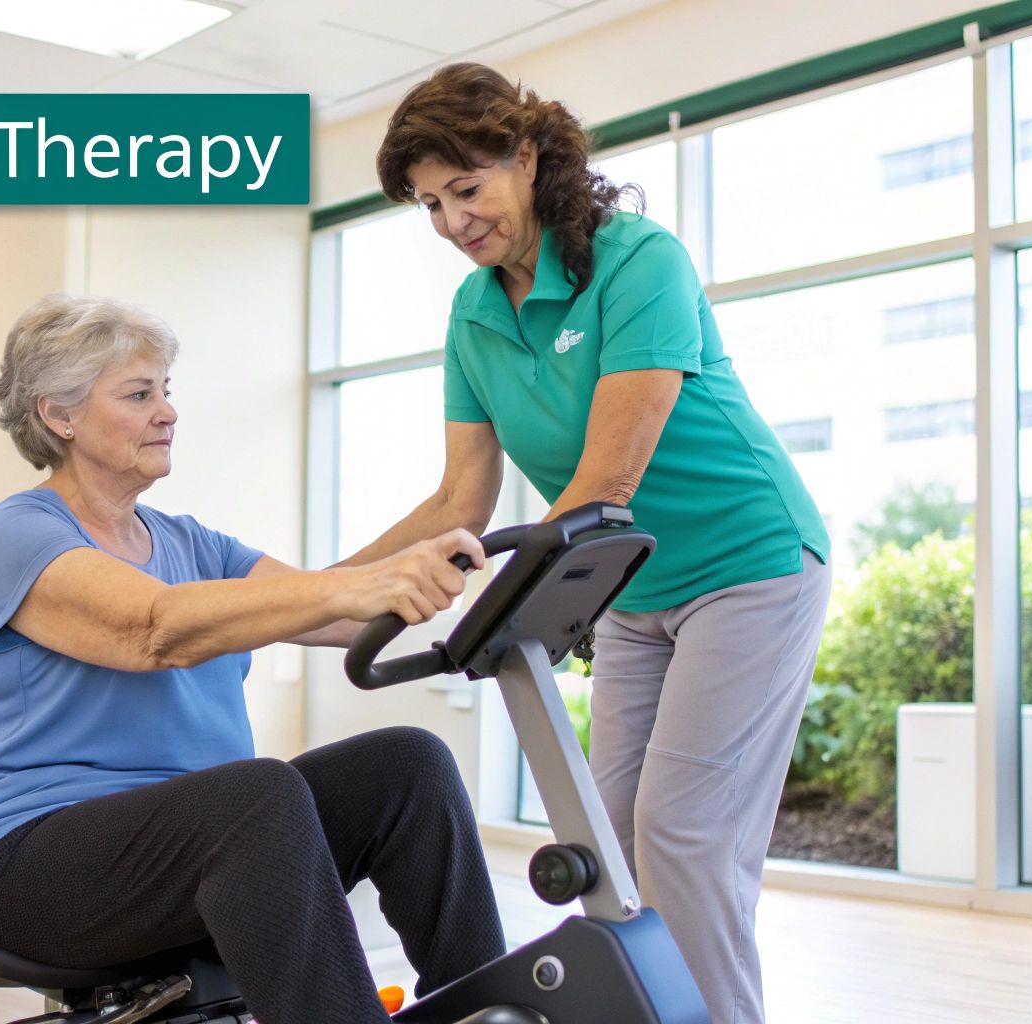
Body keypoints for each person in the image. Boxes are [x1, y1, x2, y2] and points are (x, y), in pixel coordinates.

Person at [355, 63, 833, 1024]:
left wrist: (503, 599)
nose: (453, 223)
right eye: (430, 205)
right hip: (632, 591)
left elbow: (606, 483)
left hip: (748, 566)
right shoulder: (473, 315)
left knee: (684, 833)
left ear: (526, 157)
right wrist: (324, 591)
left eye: (467, 189)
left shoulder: (638, 261)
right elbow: (461, 495)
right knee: (602, 835)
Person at [0, 294, 506, 1024]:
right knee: (255, 795)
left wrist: (463, 562)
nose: (167, 412)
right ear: (60, 416)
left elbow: (324, 607)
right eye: (139, 395)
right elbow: (153, 629)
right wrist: (357, 586)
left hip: (197, 847)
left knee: (408, 765)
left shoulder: (192, 543)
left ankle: (484, 1010)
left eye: (165, 393)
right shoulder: (20, 532)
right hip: (24, 862)